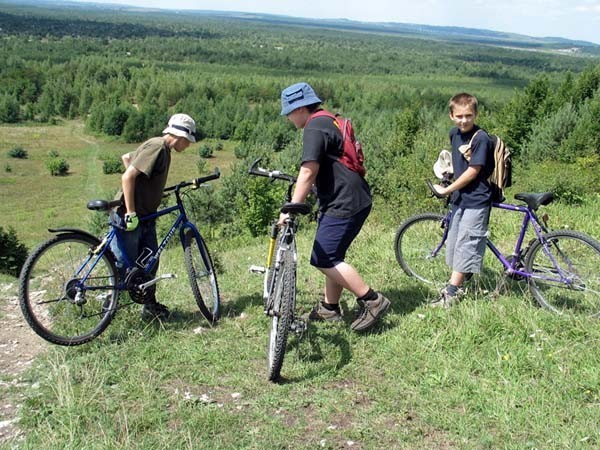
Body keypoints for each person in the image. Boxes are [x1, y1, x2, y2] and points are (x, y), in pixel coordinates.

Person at [279, 82, 390, 331]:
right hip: (352, 197)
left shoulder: (314, 127)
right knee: (334, 255)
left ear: (300, 108)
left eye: (288, 111)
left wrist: (292, 208)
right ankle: (330, 308)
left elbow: (308, 170)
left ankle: (371, 300)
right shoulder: (330, 120)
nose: (287, 117)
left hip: (344, 201)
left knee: (323, 257)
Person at [110, 113, 197, 320]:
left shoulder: (163, 149)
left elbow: (128, 159)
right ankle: (108, 308)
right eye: (189, 141)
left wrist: (147, 189)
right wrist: (131, 212)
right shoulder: (158, 147)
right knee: (123, 265)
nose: (189, 146)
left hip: (146, 217)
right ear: (181, 136)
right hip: (131, 216)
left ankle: (149, 306)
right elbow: (128, 176)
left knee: (149, 262)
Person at [431, 93, 495, 307]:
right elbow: (459, 162)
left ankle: (451, 293)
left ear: (476, 114)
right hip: (460, 198)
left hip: (476, 199)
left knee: (467, 244)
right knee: (456, 242)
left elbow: (473, 172)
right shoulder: (454, 134)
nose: (464, 120)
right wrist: (448, 175)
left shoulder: (481, 138)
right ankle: (463, 279)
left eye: (469, 115)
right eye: (459, 116)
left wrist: (447, 189)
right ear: (451, 115)